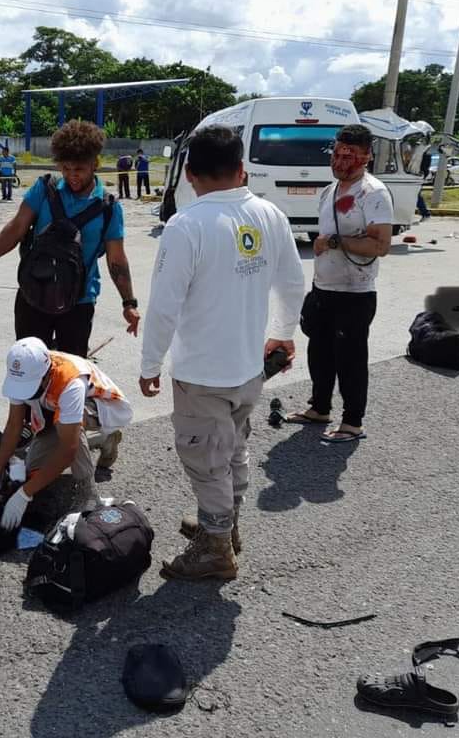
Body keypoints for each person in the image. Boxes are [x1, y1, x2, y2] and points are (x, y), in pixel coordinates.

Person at [138, 126, 305, 581]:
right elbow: (293, 285)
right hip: (249, 368)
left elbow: (164, 305)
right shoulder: (270, 214)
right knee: (230, 448)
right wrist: (282, 334)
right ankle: (224, 526)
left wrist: (150, 364)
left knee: (206, 457)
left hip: (202, 374)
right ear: (242, 169)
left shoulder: (187, 225)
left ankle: (215, 549)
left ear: (189, 174)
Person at [0, 120, 140, 358]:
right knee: (28, 370)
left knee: (71, 374)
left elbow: (117, 259)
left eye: (79, 169)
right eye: (66, 168)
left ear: (95, 164)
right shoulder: (45, 188)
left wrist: (129, 303)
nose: (72, 176)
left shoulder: (108, 208)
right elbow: (17, 227)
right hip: (33, 293)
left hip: (79, 301)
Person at [286, 124, 392, 443]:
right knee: (319, 353)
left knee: (350, 358)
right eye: (337, 153)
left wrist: (333, 242)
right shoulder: (329, 191)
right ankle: (319, 408)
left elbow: (381, 245)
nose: (341, 161)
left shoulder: (373, 193)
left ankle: (352, 422)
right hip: (324, 288)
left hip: (355, 294)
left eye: (350, 155)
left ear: (366, 157)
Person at [0, 337, 132, 533]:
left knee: (70, 434)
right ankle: (104, 439)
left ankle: (88, 495)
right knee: (34, 467)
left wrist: (24, 494)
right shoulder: (23, 372)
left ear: (45, 375)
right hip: (56, 411)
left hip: (103, 407)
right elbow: (13, 425)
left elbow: (69, 449)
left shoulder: (71, 382)